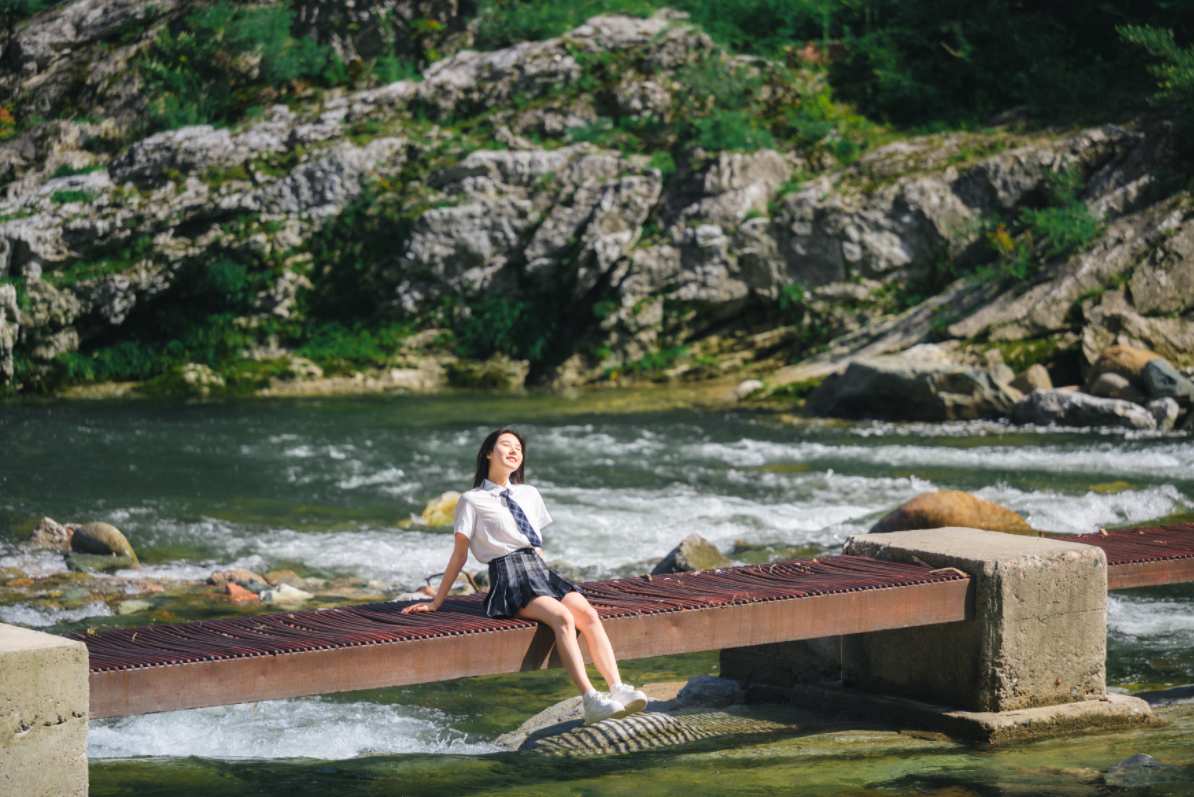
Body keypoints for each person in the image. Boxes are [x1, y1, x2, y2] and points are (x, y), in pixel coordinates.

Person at [402, 427, 647, 725]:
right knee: (563, 618)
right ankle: (590, 699)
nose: (514, 450)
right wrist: (437, 601)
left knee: (589, 614)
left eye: (519, 447)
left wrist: (547, 578)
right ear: (488, 453)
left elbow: (537, 544)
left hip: (539, 569)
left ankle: (617, 688)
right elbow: (460, 554)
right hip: (509, 577)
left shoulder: (529, 494)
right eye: (506, 444)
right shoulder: (471, 499)